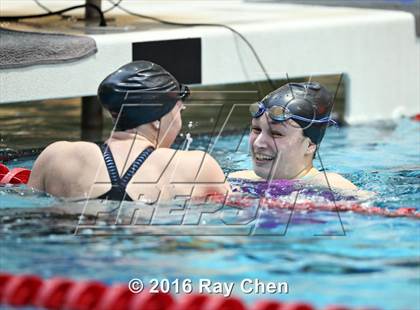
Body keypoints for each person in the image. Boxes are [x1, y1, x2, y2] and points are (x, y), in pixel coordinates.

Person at [28, 61, 230, 202]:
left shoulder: (55, 156)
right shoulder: (196, 166)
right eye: (179, 111)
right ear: (158, 120)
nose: (180, 122)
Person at [229, 81, 360, 193]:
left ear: (310, 145)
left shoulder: (333, 187)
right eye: (256, 130)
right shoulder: (237, 181)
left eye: (276, 134)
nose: (258, 143)